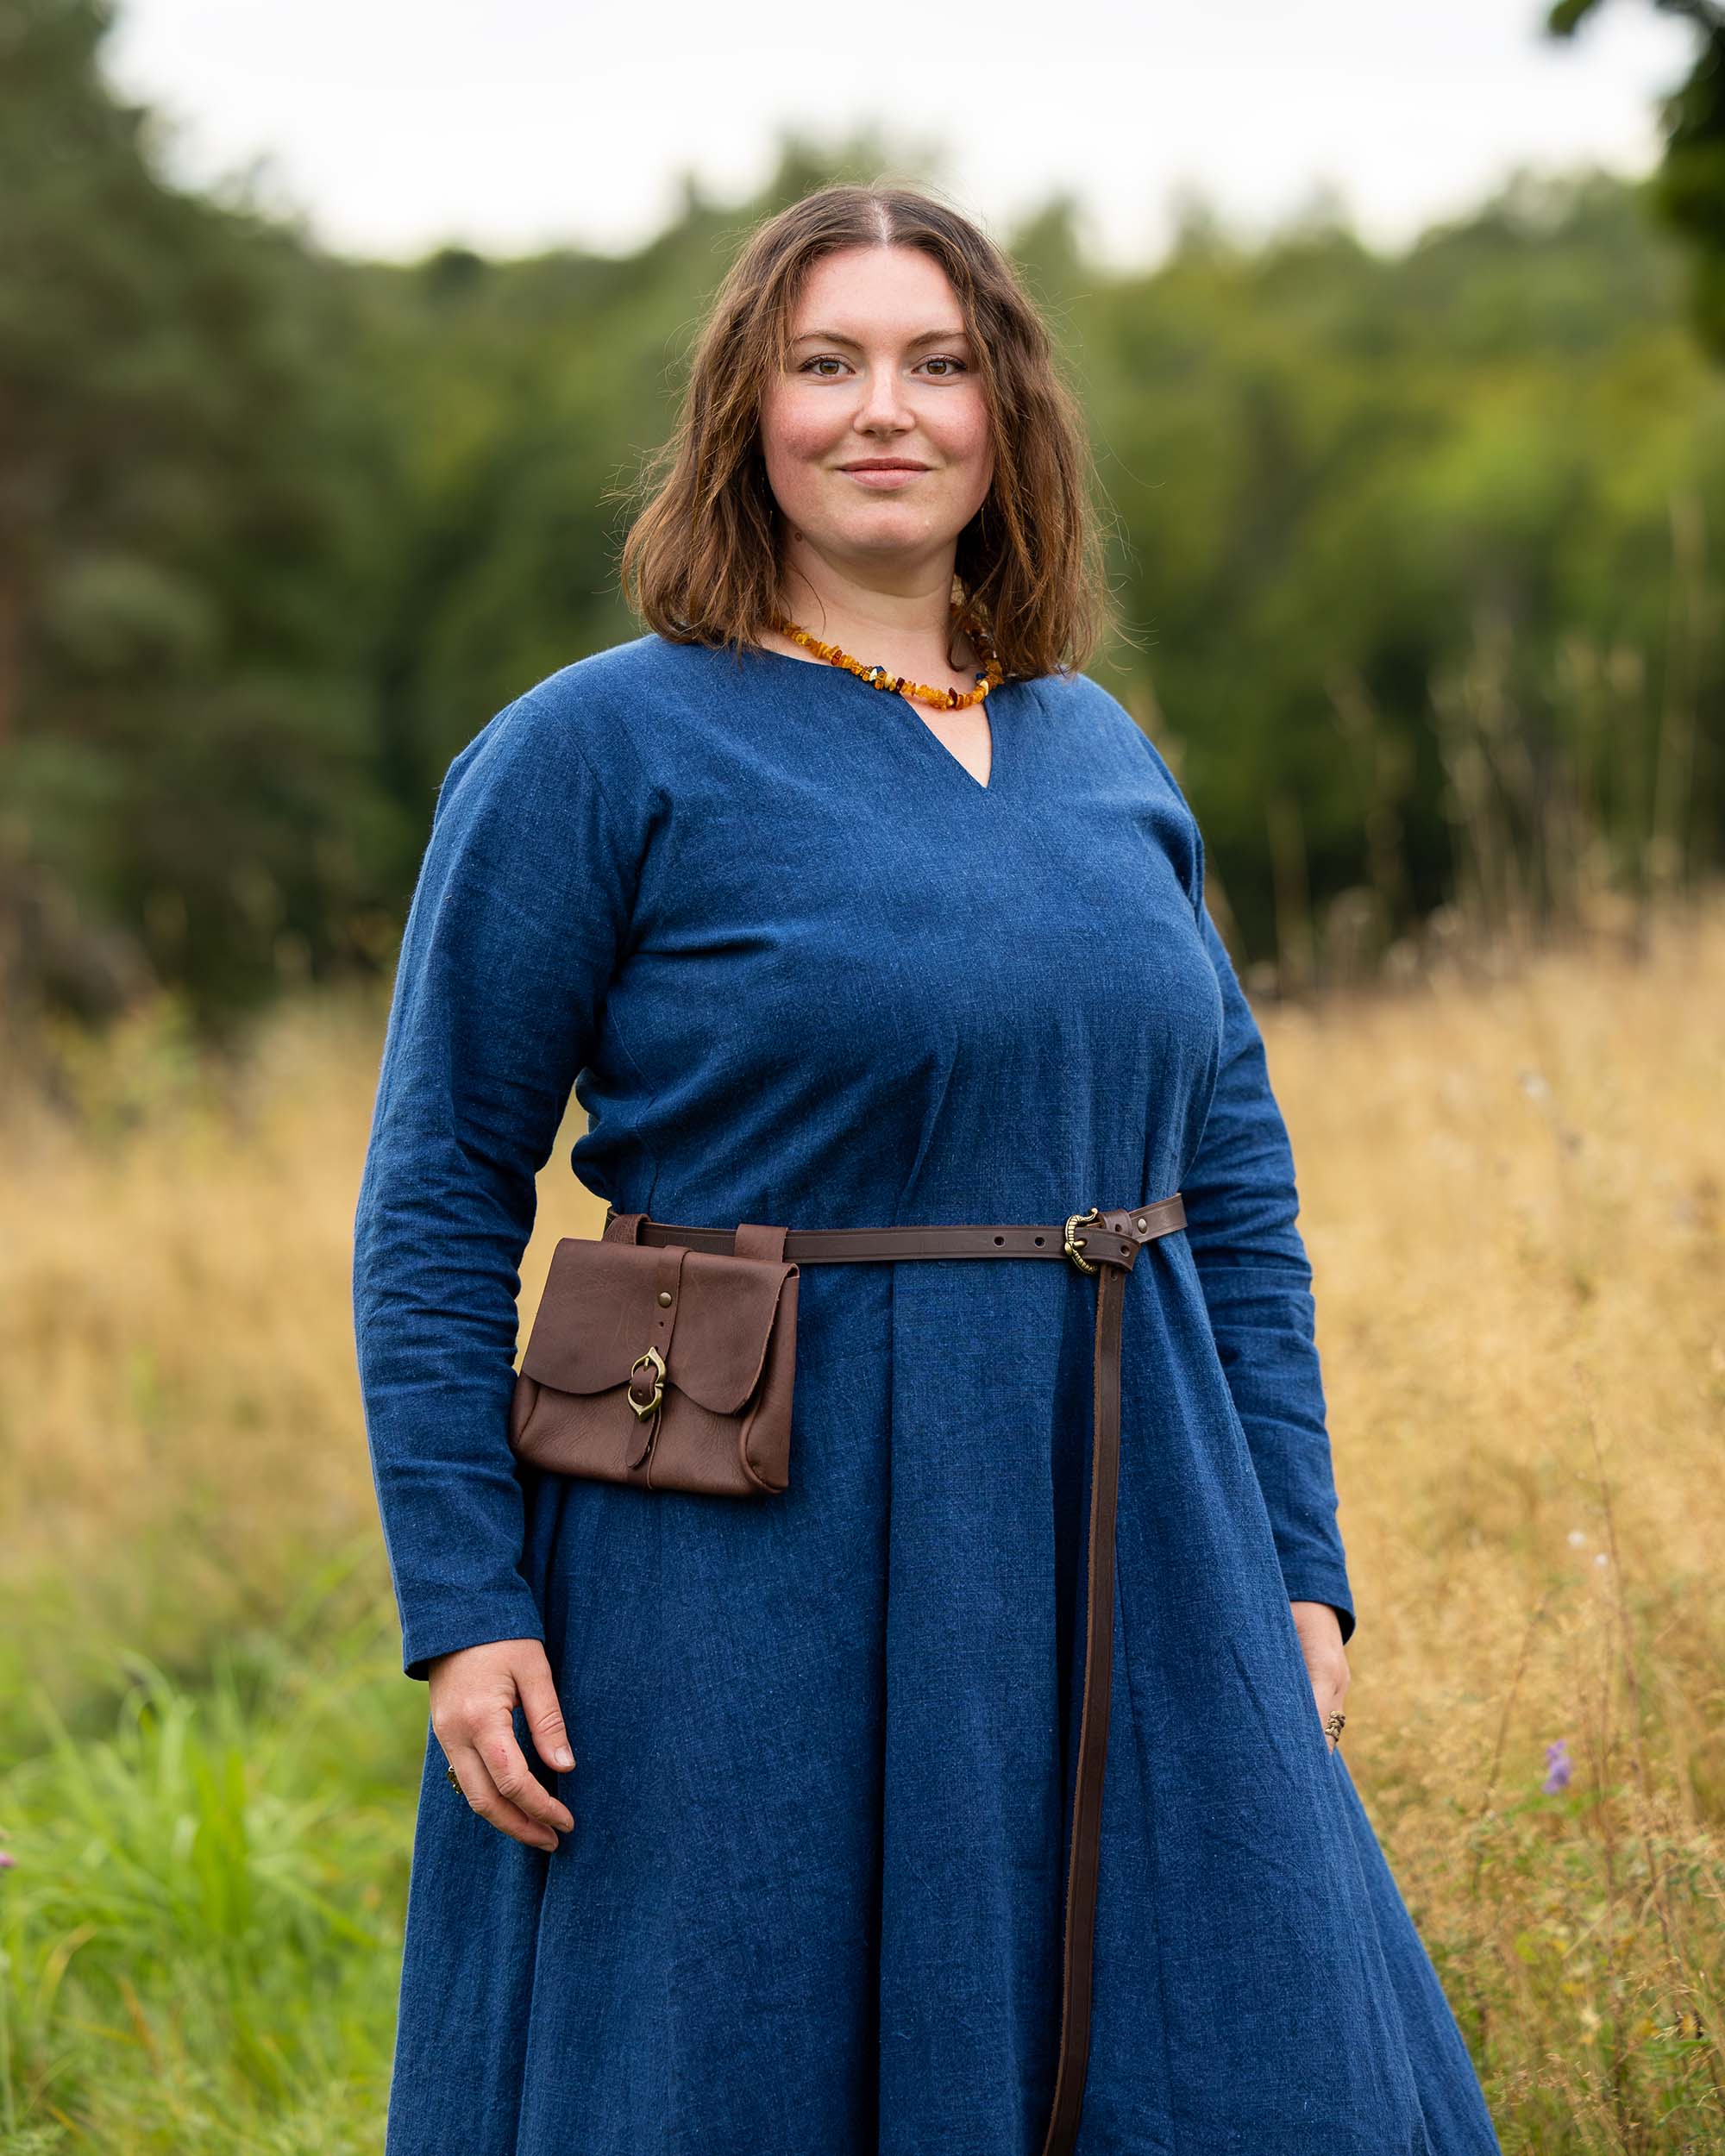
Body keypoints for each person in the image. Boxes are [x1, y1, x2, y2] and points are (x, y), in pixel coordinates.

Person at [351, 180, 1503, 2156]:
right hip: (738, 1557)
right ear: (747, 414)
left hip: (1130, 1523)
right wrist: (466, 1601)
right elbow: (441, 1192)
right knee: (741, 2066)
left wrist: (1299, 1562)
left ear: (1005, 418)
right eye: (826, 364)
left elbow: (1232, 1183)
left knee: (1262, 2058)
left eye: (934, 363)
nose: (882, 409)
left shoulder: (1101, 754)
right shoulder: (593, 751)